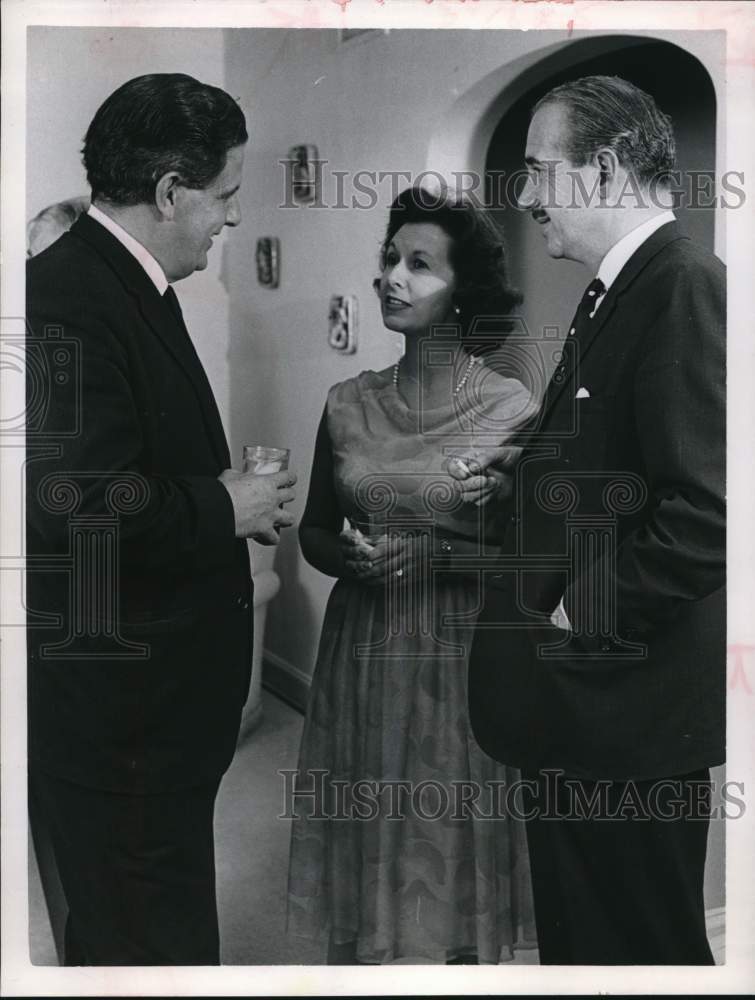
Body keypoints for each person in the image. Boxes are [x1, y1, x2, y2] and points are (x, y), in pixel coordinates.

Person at [26, 73, 297, 966]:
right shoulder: (66, 296)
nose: (227, 219)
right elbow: (77, 503)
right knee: (140, 934)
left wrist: (217, 497)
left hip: (153, 711)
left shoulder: (126, 281)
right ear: (171, 192)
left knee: (160, 916)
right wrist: (226, 503)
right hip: (119, 717)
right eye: (222, 196)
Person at [466, 75, 725, 964]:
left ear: (605, 168)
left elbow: (709, 512)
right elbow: (623, 462)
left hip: (626, 717)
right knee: (581, 949)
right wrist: (526, 472)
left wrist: (579, 613)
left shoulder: (683, 286)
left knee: (642, 951)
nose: (526, 196)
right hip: (584, 713)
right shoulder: (614, 288)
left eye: (539, 170)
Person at [286, 187, 538, 965]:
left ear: (464, 290)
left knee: (452, 836)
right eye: (389, 260)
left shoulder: (510, 409)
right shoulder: (345, 403)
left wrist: (440, 554)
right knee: (361, 820)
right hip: (362, 648)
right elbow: (314, 533)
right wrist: (349, 560)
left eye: (418, 265)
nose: (391, 277)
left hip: (461, 652)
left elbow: (534, 562)